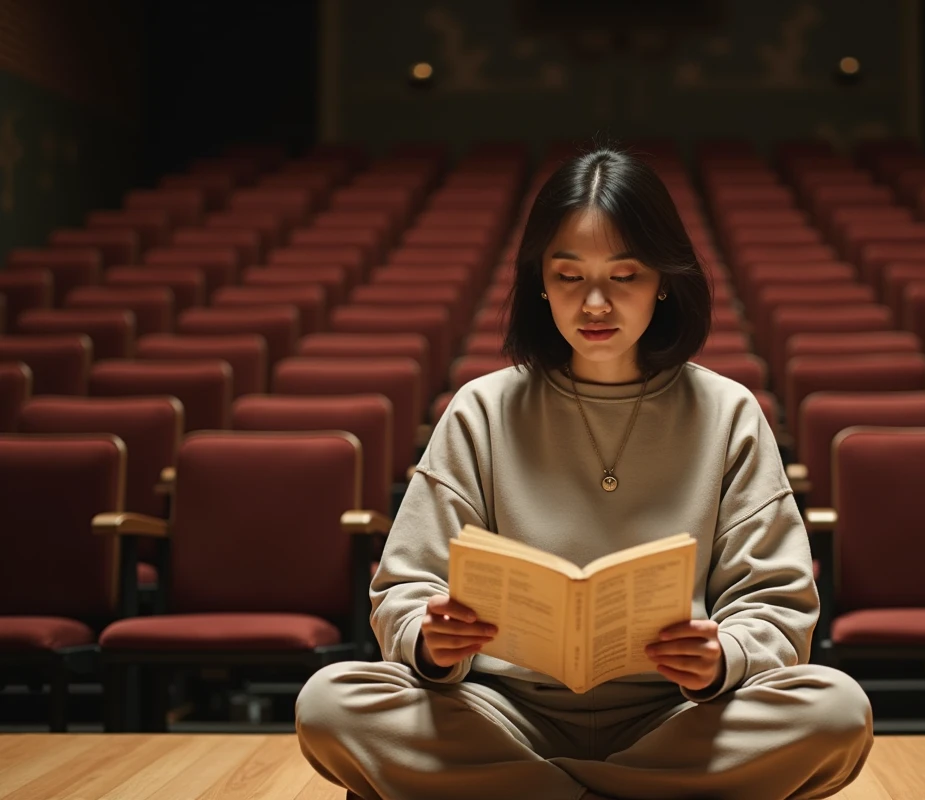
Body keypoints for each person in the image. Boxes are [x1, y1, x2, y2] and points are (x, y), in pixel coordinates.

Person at [295, 147, 873, 800]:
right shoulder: (482, 409)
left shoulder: (727, 412)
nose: (594, 304)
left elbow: (775, 603)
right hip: (502, 710)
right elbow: (403, 587)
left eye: (623, 276)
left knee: (835, 710)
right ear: (540, 282)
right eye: (569, 277)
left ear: (664, 279)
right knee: (330, 701)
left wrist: (723, 658)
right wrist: (431, 641)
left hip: (677, 713)